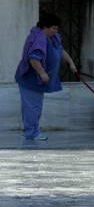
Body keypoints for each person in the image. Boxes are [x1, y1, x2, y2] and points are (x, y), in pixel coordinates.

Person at [15, 12, 77, 140]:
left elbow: (61, 50)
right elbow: (33, 58)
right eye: (53, 28)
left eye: (56, 28)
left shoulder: (52, 37)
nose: (55, 31)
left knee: (36, 106)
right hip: (30, 79)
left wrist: (71, 63)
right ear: (45, 27)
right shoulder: (38, 37)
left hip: (38, 81)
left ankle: (33, 131)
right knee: (32, 107)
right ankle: (32, 133)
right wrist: (42, 73)